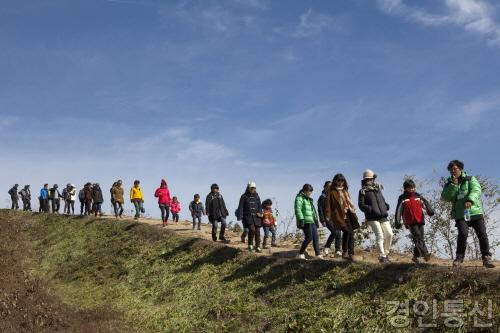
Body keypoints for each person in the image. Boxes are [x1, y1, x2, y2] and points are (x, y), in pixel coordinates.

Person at [441, 160, 495, 268]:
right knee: (463, 234)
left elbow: (476, 190)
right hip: (460, 213)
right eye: (451, 169)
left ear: (461, 169)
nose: (453, 171)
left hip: (475, 211)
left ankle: (486, 258)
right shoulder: (449, 184)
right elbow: (445, 197)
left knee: (482, 234)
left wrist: (470, 199)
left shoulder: (470, 179)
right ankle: (459, 258)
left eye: (455, 168)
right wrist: (453, 185)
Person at [395, 179, 434, 264]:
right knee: (418, 237)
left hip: (420, 219)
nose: (412, 189)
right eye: (410, 188)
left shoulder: (418, 196)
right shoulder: (402, 198)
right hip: (410, 221)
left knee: (420, 238)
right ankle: (425, 254)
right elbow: (398, 210)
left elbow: (426, 203)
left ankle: (415, 256)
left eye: (413, 187)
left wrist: (430, 211)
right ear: (405, 189)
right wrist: (397, 222)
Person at [358, 169, 393, 263]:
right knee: (380, 235)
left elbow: (382, 199)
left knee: (390, 234)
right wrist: (370, 209)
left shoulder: (377, 189)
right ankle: (382, 256)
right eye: (367, 179)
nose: (369, 181)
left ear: (373, 179)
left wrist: (386, 206)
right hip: (372, 217)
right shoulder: (362, 191)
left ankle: (385, 254)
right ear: (364, 180)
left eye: (371, 179)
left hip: (383, 215)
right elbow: (361, 205)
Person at [325, 174, 360, 261]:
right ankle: (345, 251)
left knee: (351, 233)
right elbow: (328, 204)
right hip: (337, 215)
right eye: (338, 181)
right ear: (335, 181)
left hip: (348, 213)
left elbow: (349, 202)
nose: (340, 183)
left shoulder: (345, 190)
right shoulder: (331, 191)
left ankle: (350, 253)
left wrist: (354, 212)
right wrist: (327, 216)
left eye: (342, 181)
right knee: (347, 231)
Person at [295, 184, 322, 260]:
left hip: (311, 221)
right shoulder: (299, 198)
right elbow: (298, 209)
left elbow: (313, 212)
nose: (310, 193)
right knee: (309, 238)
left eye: (311, 191)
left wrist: (315, 220)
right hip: (305, 221)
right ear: (305, 190)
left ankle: (318, 255)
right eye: (309, 191)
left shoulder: (308, 199)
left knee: (316, 237)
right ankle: (300, 254)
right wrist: (301, 219)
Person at [236, 182, 263, 252]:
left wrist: (260, 213)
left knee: (257, 231)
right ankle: (250, 245)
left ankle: (257, 246)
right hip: (248, 217)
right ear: (248, 188)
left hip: (257, 217)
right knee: (252, 229)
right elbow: (241, 207)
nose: (253, 189)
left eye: (254, 188)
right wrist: (240, 216)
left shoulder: (257, 196)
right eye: (251, 188)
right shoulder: (244, 196)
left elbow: (259, 206)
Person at [318, 181, 342, 257]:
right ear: (324, 187)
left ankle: (337, 250)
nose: (330, 188)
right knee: (334, 232)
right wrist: (322, 220)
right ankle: (326, 248)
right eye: (328, 186)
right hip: (327, 218)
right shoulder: (322, 197)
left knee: (338, 232)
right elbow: (320, 209)